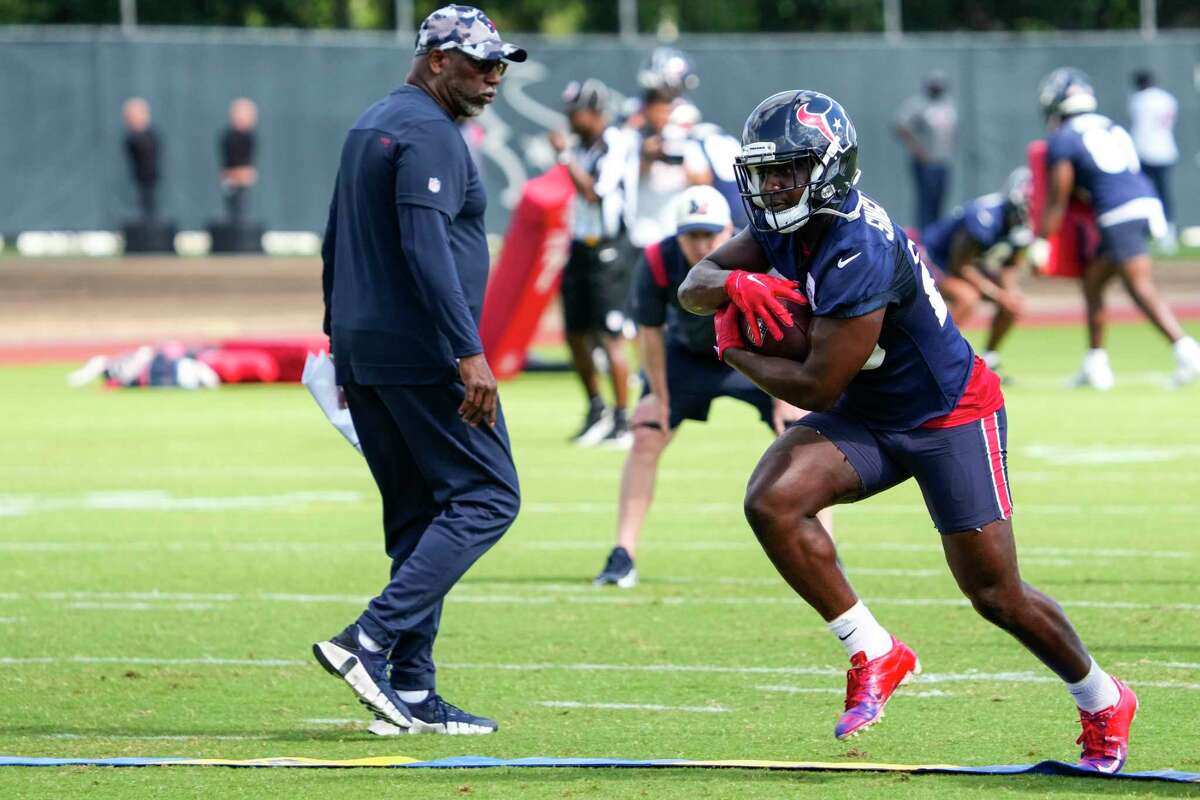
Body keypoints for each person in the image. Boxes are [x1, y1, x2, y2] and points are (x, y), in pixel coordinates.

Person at [678, 89, 1138, 772]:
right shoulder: (783, 221)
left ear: (828, 168)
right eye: (766, 170)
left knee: (995, 595)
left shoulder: (857, 242)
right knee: (772, 500)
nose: (773, 184)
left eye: (789, 170)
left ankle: (1103, 698)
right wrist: (738, 288)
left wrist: (734, 348)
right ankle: (873, 650)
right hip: (872, 409)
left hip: (947, 413)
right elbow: (696, 284)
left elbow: (814, 385)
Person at [313, 4, 525, 737]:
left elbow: (334, 239)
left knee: (417, 516)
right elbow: (425, 247)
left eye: (500, 63)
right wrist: (469, 352)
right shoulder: (430, 131)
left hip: (369, 351)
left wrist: (338, 341)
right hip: (422, 351)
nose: (494, 76)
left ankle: (410, 688)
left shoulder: (373, 121)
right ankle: (368, 642)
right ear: (437, 59)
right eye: (480, 61)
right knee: (490, 497)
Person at [594, 185, 829, 587]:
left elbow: (784, 324)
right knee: (647, 433)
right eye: (692, 235)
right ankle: (623, 555)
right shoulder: (658, 259)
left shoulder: (758, 254)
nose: (701, 243)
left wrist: (784, 398)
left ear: (727, 230)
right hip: (686, 356)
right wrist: (658, 396)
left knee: (806, 432)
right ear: (677, 234)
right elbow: (650, 332)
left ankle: (827, 554)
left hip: (752, 352)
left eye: (709, 234)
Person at [1036, 68, 1200, 389]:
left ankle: (1187, 352)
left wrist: (1042, 241)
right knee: (1094, 280)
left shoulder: (1064, 138)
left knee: (1138, 286)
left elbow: (1059, 196)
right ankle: (1096, 363)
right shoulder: (1112, 126)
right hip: (1145, 202)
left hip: (1118, 212)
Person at [549, 79, 636, 447]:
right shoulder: (583, 147)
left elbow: (595, 192)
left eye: (576, 112)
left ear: (595, 112)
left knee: (611, 335)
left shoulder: (616, 144)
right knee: (575, 334)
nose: (570, 119)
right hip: (580, 247)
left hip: (609, 248)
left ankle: (621, 419)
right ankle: (596, 409)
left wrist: (564, 157)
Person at [919, 167, 1034, 375]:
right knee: (967, 298)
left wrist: (1008, 295)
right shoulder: (984, 216)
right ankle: (937, 357)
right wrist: (998, 295)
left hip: (968, 265)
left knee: (1012, 302)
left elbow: (1009, 265)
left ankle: (990, 357)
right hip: (932, 259)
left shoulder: (1022, 228)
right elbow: (959, 265)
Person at [895, 71, 957, 230]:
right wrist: (917, 149)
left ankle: (935, 236)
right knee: (925, 203)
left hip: (943, 161)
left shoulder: (946, 105)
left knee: (939, 202)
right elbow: (901, 126)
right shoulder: (919, 105)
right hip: (925, 163)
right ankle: (924, 237)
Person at [1128, 69, 1179, 252]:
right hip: (1166, 151)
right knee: (1164, 194)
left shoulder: (1139, 100)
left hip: (1144, 152)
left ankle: (1149, 234)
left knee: (1145, 195)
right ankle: (1167, 235)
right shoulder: (1167, 98)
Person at [219, 98, 258, 224]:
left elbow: (249, 170)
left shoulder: (250, 138)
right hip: (231, 183)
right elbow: (229, 169)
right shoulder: (229, 137)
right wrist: (239, 174)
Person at [122, 98, 159, 221]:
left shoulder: (150, 136)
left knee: (149, 200)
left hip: (149, 174)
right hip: (140, 174)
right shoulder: (132, 138)